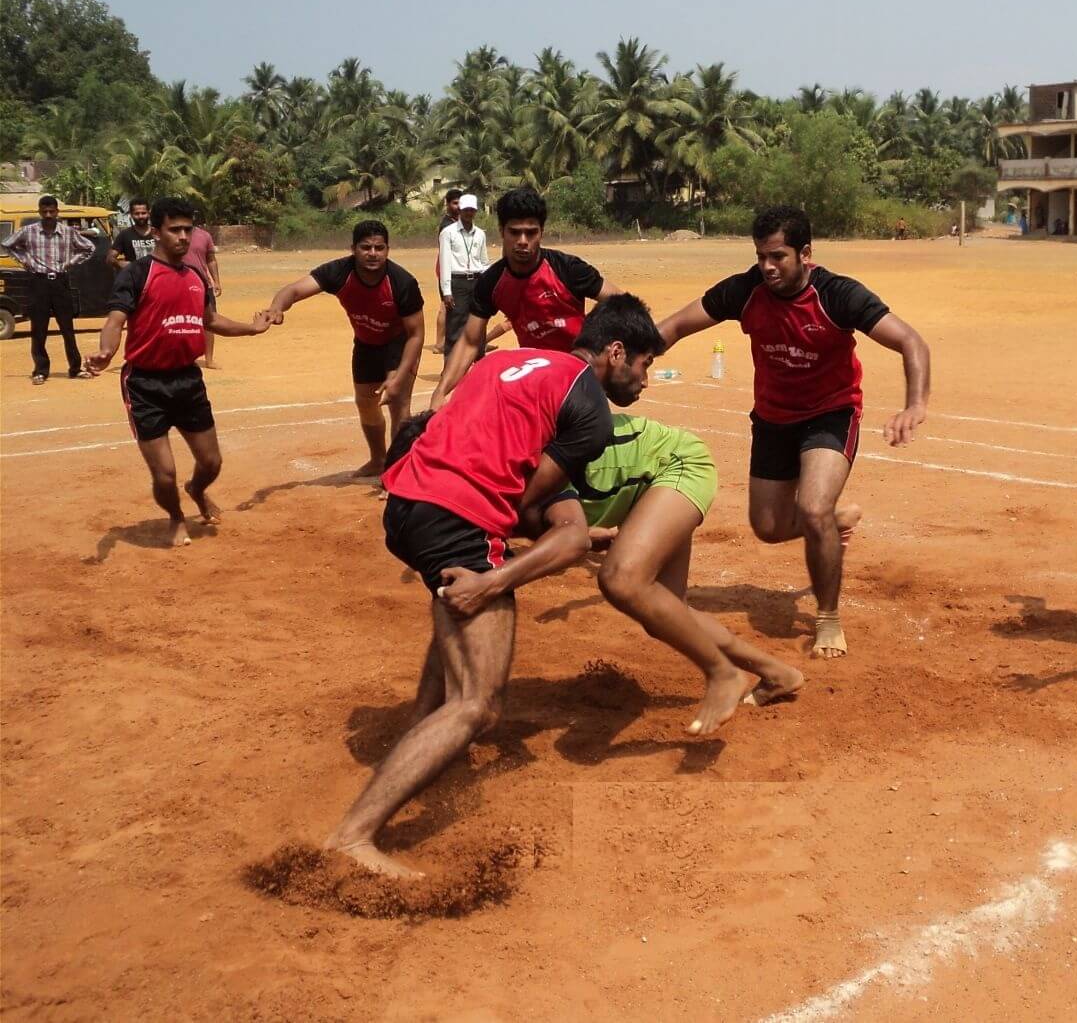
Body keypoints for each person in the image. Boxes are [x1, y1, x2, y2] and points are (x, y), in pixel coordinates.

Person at [323, 295, 662, 879]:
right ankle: (353, 836)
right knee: (479, 704)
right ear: (616, 352)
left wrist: (574, 527)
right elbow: (528, 505)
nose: (645, 380)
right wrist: (501, 576)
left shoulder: (512, 361)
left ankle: (419, 738)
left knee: (454, 606)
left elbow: (485, 450)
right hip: (458, 518)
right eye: (644, 364)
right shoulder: (591, 408)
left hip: (407, 503)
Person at [655, 205, 931, 659]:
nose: (767, 267)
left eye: (778, 257)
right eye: (761, 256)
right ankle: (831, 524)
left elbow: (910, 341)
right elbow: (677, 325)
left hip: (830, 413)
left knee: (814, 505)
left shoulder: (838, 294)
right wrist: (634, 361)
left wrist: (915, 404)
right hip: (773, 418)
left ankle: (827, 618)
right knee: (767, 527)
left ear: (805, 253)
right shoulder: (745, 290)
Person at [534, 413, 806, 735]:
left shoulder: (521, 457)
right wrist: (586, 534)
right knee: (666, 610)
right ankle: (777, 673)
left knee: (625, 581)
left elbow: (559, 540)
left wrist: (494, 579)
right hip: (646, 481)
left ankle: (725, 674)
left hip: (674, 466)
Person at [84, 198, 272, 547]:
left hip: (187, 380)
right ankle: (175, 517)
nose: (184, 237)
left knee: (211, 462)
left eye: (188, 229)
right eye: (175, 229)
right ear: (156, 232)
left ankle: (197, 491)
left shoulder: (196, 275)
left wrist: (252, 328)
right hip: (145, 384)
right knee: (165, 474)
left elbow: (211, 321)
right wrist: (106, 352)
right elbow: (115, 320)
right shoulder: (137, 273)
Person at [260, 221, 425, 477]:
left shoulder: (402, 282)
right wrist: (276, 307)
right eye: (366, 247)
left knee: (399, 405)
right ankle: (378, 459)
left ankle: (398, 472)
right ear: (353, 249)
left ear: (388, 250)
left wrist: (400, 375)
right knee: (366, 403)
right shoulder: (339, 271)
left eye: (379, 248)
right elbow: (293, 290)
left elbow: (416, 334)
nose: (373, 253)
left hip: (399, 345)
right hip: (366, 343)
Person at [433, 187, 622, 406]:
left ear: (541, 231)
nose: (523, 241)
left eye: (531, 232)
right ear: (502, 231)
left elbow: (620, 301)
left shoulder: (568, 269)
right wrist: (441, 390)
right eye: (515, 232)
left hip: (580, 377)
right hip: (536, 380)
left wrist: (597, 336)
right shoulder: (491, 283)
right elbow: (469, 341)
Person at [1, 194, 96, 384]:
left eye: (52, 211)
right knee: (39, 328)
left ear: (57, 212)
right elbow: (7, 245)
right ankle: (41, 370)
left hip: (60, 281)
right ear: (39, 212)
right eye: (44, 212)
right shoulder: (29, 231)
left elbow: (89, 248)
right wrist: (27, 261)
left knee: (67, 328)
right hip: (38, 282)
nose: (48, 215)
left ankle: (75, 368)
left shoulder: (68, 232)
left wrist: (69, 263)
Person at [438, 193, 492, 356]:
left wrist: (488, 282)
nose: (469, 213)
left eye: (472, 210)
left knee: (479, 326)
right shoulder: (448, 233)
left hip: (476, 281)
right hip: (458, 282)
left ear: (475, 211)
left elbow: (484, 261)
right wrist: (446, 291)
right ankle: (449, 369)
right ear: (460, 210)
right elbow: (445, 262)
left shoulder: (480, 234)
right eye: (466, 209)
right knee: (455, 326)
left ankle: (478, 366)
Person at [184, 220, 222, 369]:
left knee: (209, 322)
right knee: (183, 323)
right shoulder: (172, 235)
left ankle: (209, 359)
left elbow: (211, 260)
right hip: (180, 285)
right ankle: (186, 358)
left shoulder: (204, 236)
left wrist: (216, 281)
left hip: (203, 285)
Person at [432, 187, 462, 354]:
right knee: (445, 305)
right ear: (448, 204)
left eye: (460, 203)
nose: (458, 206)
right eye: (454, 203)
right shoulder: (447, 225)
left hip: (454, 269)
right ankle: (439, 343)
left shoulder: (457, 222)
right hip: (447, 270)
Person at [107, 197, 157, 268]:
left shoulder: (158, 232)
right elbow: (110, 258)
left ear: (149, 213)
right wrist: (119, 263)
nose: (140, 216)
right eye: (137, 213)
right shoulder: (125, 235)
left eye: (143, 213)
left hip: (156, 276)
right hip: (135, 277)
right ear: (131, 214)